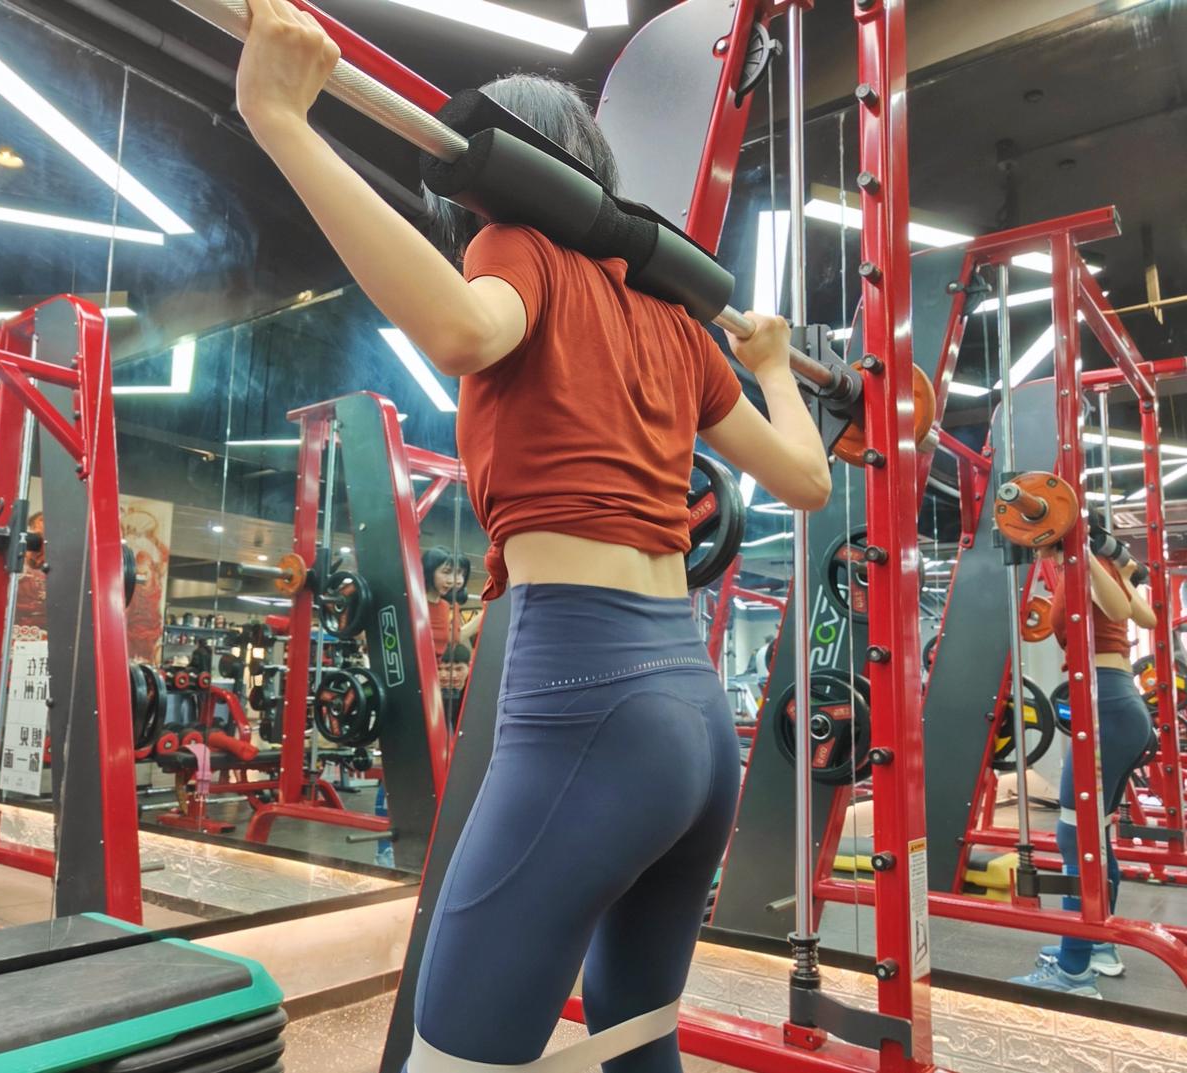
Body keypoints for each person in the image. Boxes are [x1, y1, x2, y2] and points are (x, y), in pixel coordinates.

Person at [234, 4, 830, 1070]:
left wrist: (282, 121)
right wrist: (777, 369)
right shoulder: (676, 320)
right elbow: (804, 478)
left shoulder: (518, 245)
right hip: (696, 722)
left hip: (588, 702)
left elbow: (464, 329)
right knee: (637, 1037)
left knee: (452, 1055)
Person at [1009, 542, 1155, 996]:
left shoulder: (1086, 565)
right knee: (1096, 836)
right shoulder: (1090, 570)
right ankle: (1097, 946)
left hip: (1105, 705)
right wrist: (1114, 568)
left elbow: (1125, 611)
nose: (1040, 554)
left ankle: (1073, 971)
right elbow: (1146, 617)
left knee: (1075, 838)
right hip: (1116, 701)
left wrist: (1083, 550)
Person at [422, 546, 481, 658]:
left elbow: (454, 638)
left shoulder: (449, 606)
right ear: (429, 572)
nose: (455, 580)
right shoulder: (414, 604)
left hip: (439, 667)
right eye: (446, 572)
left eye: (460, 574)